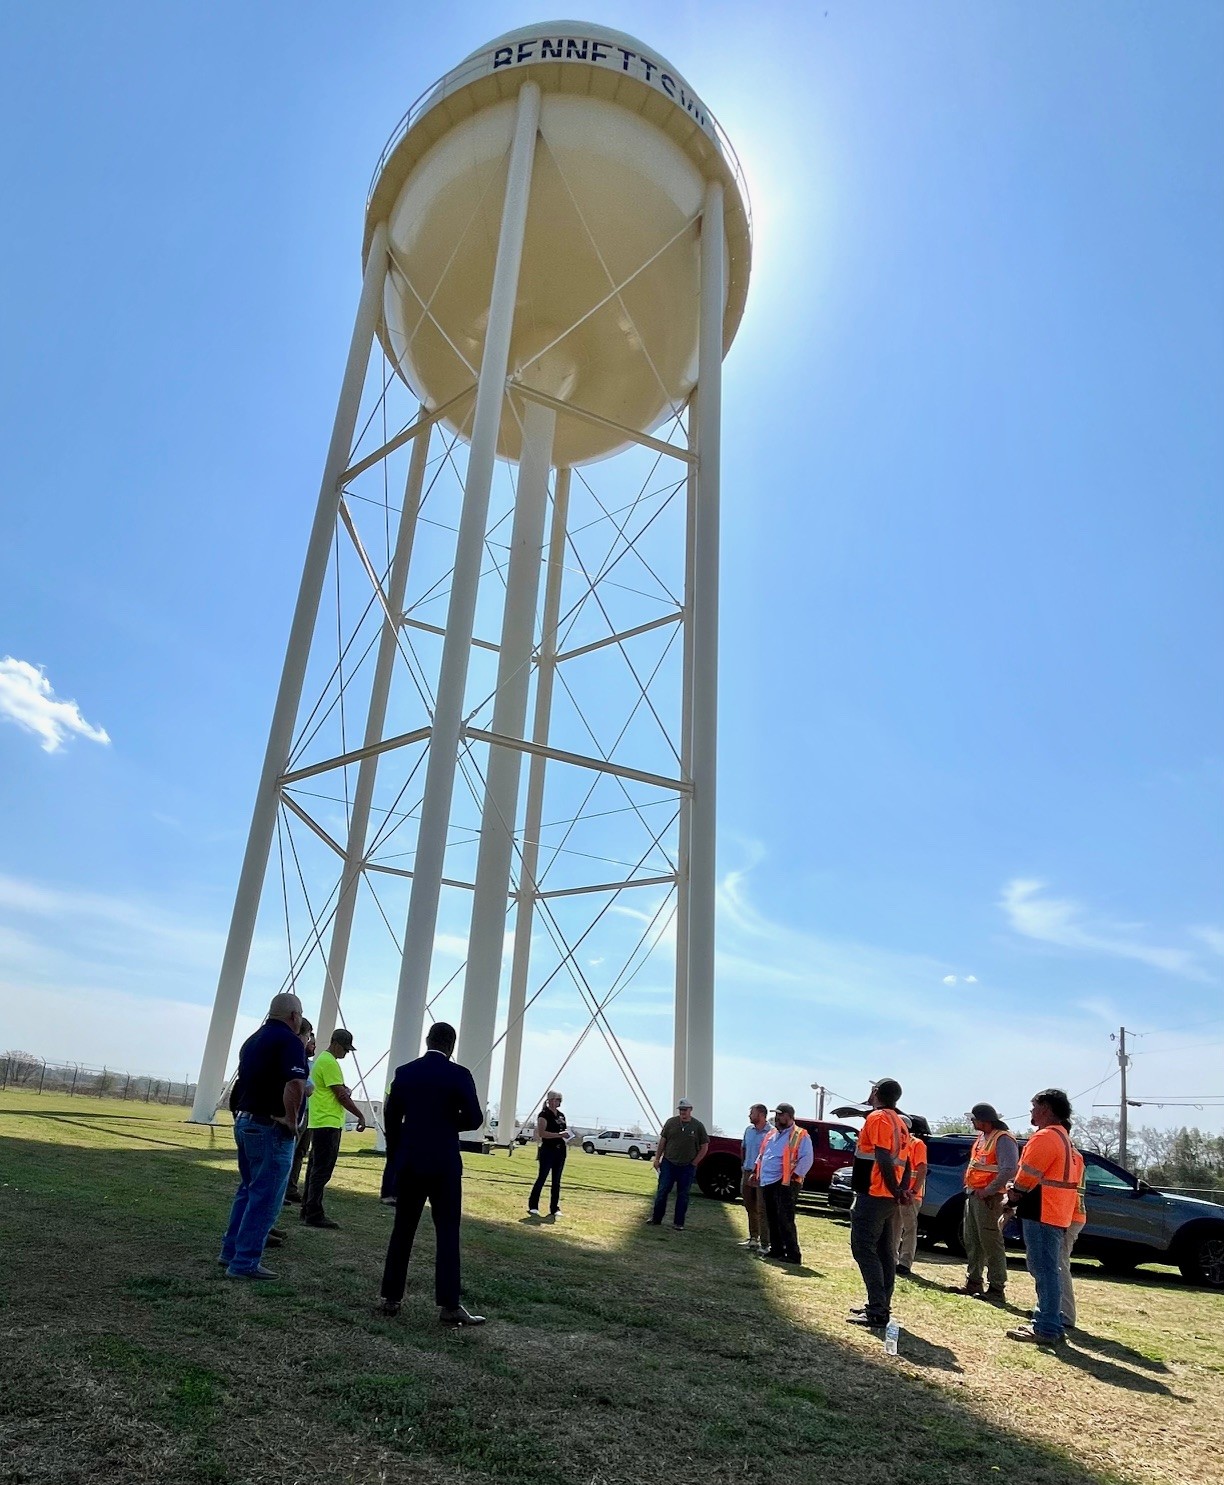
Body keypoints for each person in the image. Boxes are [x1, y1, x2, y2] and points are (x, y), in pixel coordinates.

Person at [378, 1022, 486, 1326]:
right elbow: (475, 1118)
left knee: (403, 1230)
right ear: (452, 1045)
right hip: (444, 1164)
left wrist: (399, 1151)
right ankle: (450, 1306)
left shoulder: (405, 1072)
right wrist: (447, 1122)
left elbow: (391, 1117)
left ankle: (390, 1298)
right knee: (448, 1233)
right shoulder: (459, 1075)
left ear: (427, 1040)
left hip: (411, 1162)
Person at [217, 992, 309, 1280]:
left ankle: (230, 1251)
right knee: (266, 1197)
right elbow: (295, 1082)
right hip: (270, 1127)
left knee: (247, 1190)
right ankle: (244, 1262)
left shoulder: (253, 1040)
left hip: (246, 1121)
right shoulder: (290, 1041)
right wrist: (291, 1120)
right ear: (294, 1016)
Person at [1000, 1088, 1086, 1346]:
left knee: (1044, 1269)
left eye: (1034, 1106)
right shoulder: (1066, 1141)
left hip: (1042, 1210)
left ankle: (1047, 1327)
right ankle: (1049, 1322)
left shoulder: (1046, 1137)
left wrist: (1012, 1196)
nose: (1031, 1111)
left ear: (1046, 1108)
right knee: (1048, 1268)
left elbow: (1027, 1175)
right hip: (1057, 1212)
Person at [847, 1078, 912, 1329]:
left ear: (875, 1093)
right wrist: (900, 1190)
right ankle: (881, 1305)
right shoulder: (900, 1123)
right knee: (885, 1252)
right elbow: (904, 1162)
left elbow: (883, 1156)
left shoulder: (877, 1118)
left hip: (874, 1194)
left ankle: (877, 1310)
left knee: (863, 1248)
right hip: (887, 1197)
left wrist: (896, 1189)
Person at [299, 1027, 366, 1230]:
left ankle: (307, 1208)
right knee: (322, 1170)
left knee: (314, 1168)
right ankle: (314, 1212)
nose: (346, 1053)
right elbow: (341, 1095)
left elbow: (337, 1089)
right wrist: (360, 1115)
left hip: (320, 1121)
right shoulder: (329, 1063)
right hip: (328, 1122)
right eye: (345, 1049)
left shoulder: (323, 1061)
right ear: (335, 1043)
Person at [953, 1102, 1019, 1301]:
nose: (972, 1122)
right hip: (974, 1195)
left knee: (990, 1241)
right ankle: (974, 1282)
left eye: (974, 1119)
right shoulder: (983, 1137)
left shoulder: (1004, 1139)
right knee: (972, 1239)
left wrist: (989, 1190)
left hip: (990, 1198)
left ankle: (997, 1288)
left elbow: (1009, 1169)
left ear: (985, 1120)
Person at [752, 1103, 813, 1264]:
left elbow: (807, 1158)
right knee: (772, 1217)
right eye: (777, 1115)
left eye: (780, 1115)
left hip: (786, 1182)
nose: (777, 1118)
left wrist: (795, 1176)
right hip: (768, 1181)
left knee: (785, 1218)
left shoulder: (800, 1135)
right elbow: (763, 1154)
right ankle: (776, 1249)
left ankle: (793, 1254)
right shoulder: (772, 1134)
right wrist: (755, 1171)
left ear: (788, 1116)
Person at [647, 1098, 709, 1231]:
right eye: (680, 1110)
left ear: (690, 1110)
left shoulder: (698, 1126)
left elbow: (704, 1146)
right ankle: (656, 1218)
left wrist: (694, 1163)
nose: (682, 1112)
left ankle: (678, 1223)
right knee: (662, 1191)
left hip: (687, 1166)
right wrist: (657, 1159)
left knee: (683, 1194)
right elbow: (662, 1141)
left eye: (685, 1110)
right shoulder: (671, 1122)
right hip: (669, 1163)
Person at [281, 1017, 316, 1207]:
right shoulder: (294, 1057)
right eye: (309, 1038)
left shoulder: (310, 1063)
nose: (311, 1044)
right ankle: (282, 1191)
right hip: (293, 1114)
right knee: (288, 1152)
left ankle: (291, 1188)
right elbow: (302, 1086)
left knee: (300, 1152)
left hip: (307, 1113)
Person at [1060, 1140, 1088, 1332]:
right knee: (1058, 1265)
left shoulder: (1068, 1156)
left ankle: (1066, 1315)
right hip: (1074, 1214)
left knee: (1059, 1267)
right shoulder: (1077, 1156)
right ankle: (1052, 1309)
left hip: (1067, 1216)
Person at [528, 1090, 569, 1218]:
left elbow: (563, 1130)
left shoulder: (561, 1115)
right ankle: (533, 1205)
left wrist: (566, 1135)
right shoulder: (544, 1115)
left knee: (556, 1181)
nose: (557, 1102)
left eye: (559, 1100)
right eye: (555, 1099)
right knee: (542, 1177)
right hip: (548, 1150)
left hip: (560, 1150)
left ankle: (554, 1208)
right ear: (549, 1100)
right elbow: (542, 1133)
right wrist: (558, 1135)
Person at [738, 1103, 773, 1252]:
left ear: (760, 1115)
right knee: (749, 1205)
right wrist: (744, 1165)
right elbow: (743, 1148)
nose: (749, 1116)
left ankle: (766, 1240)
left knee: (761, 1207)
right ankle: (753, 1237)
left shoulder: (771, 1132)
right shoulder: (748, 1130)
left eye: (752, 1113)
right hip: (747, 1172)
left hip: (761, 1175)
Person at [896, 1115, 927, 1275]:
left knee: (909, 1229)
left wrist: (913, 1191)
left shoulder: (917, 1144)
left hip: (911, 1195)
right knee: (894, 1228)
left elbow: (922, 1169)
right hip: (896, 1193)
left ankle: (905, 1263)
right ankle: (892, 1260)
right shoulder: (897, 1142)